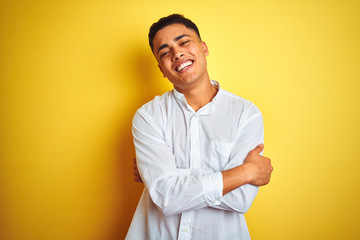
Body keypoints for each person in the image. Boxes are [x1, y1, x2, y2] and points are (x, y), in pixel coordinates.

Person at [126, 14, 273, 240]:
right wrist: (244, 172)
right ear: (161, 68)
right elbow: (165, 196)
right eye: (165, 52)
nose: (177, 53)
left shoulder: (246, 114)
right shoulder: (147, 117)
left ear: (203, 48)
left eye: (184, 42)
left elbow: (240, 198)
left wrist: (169, 179)